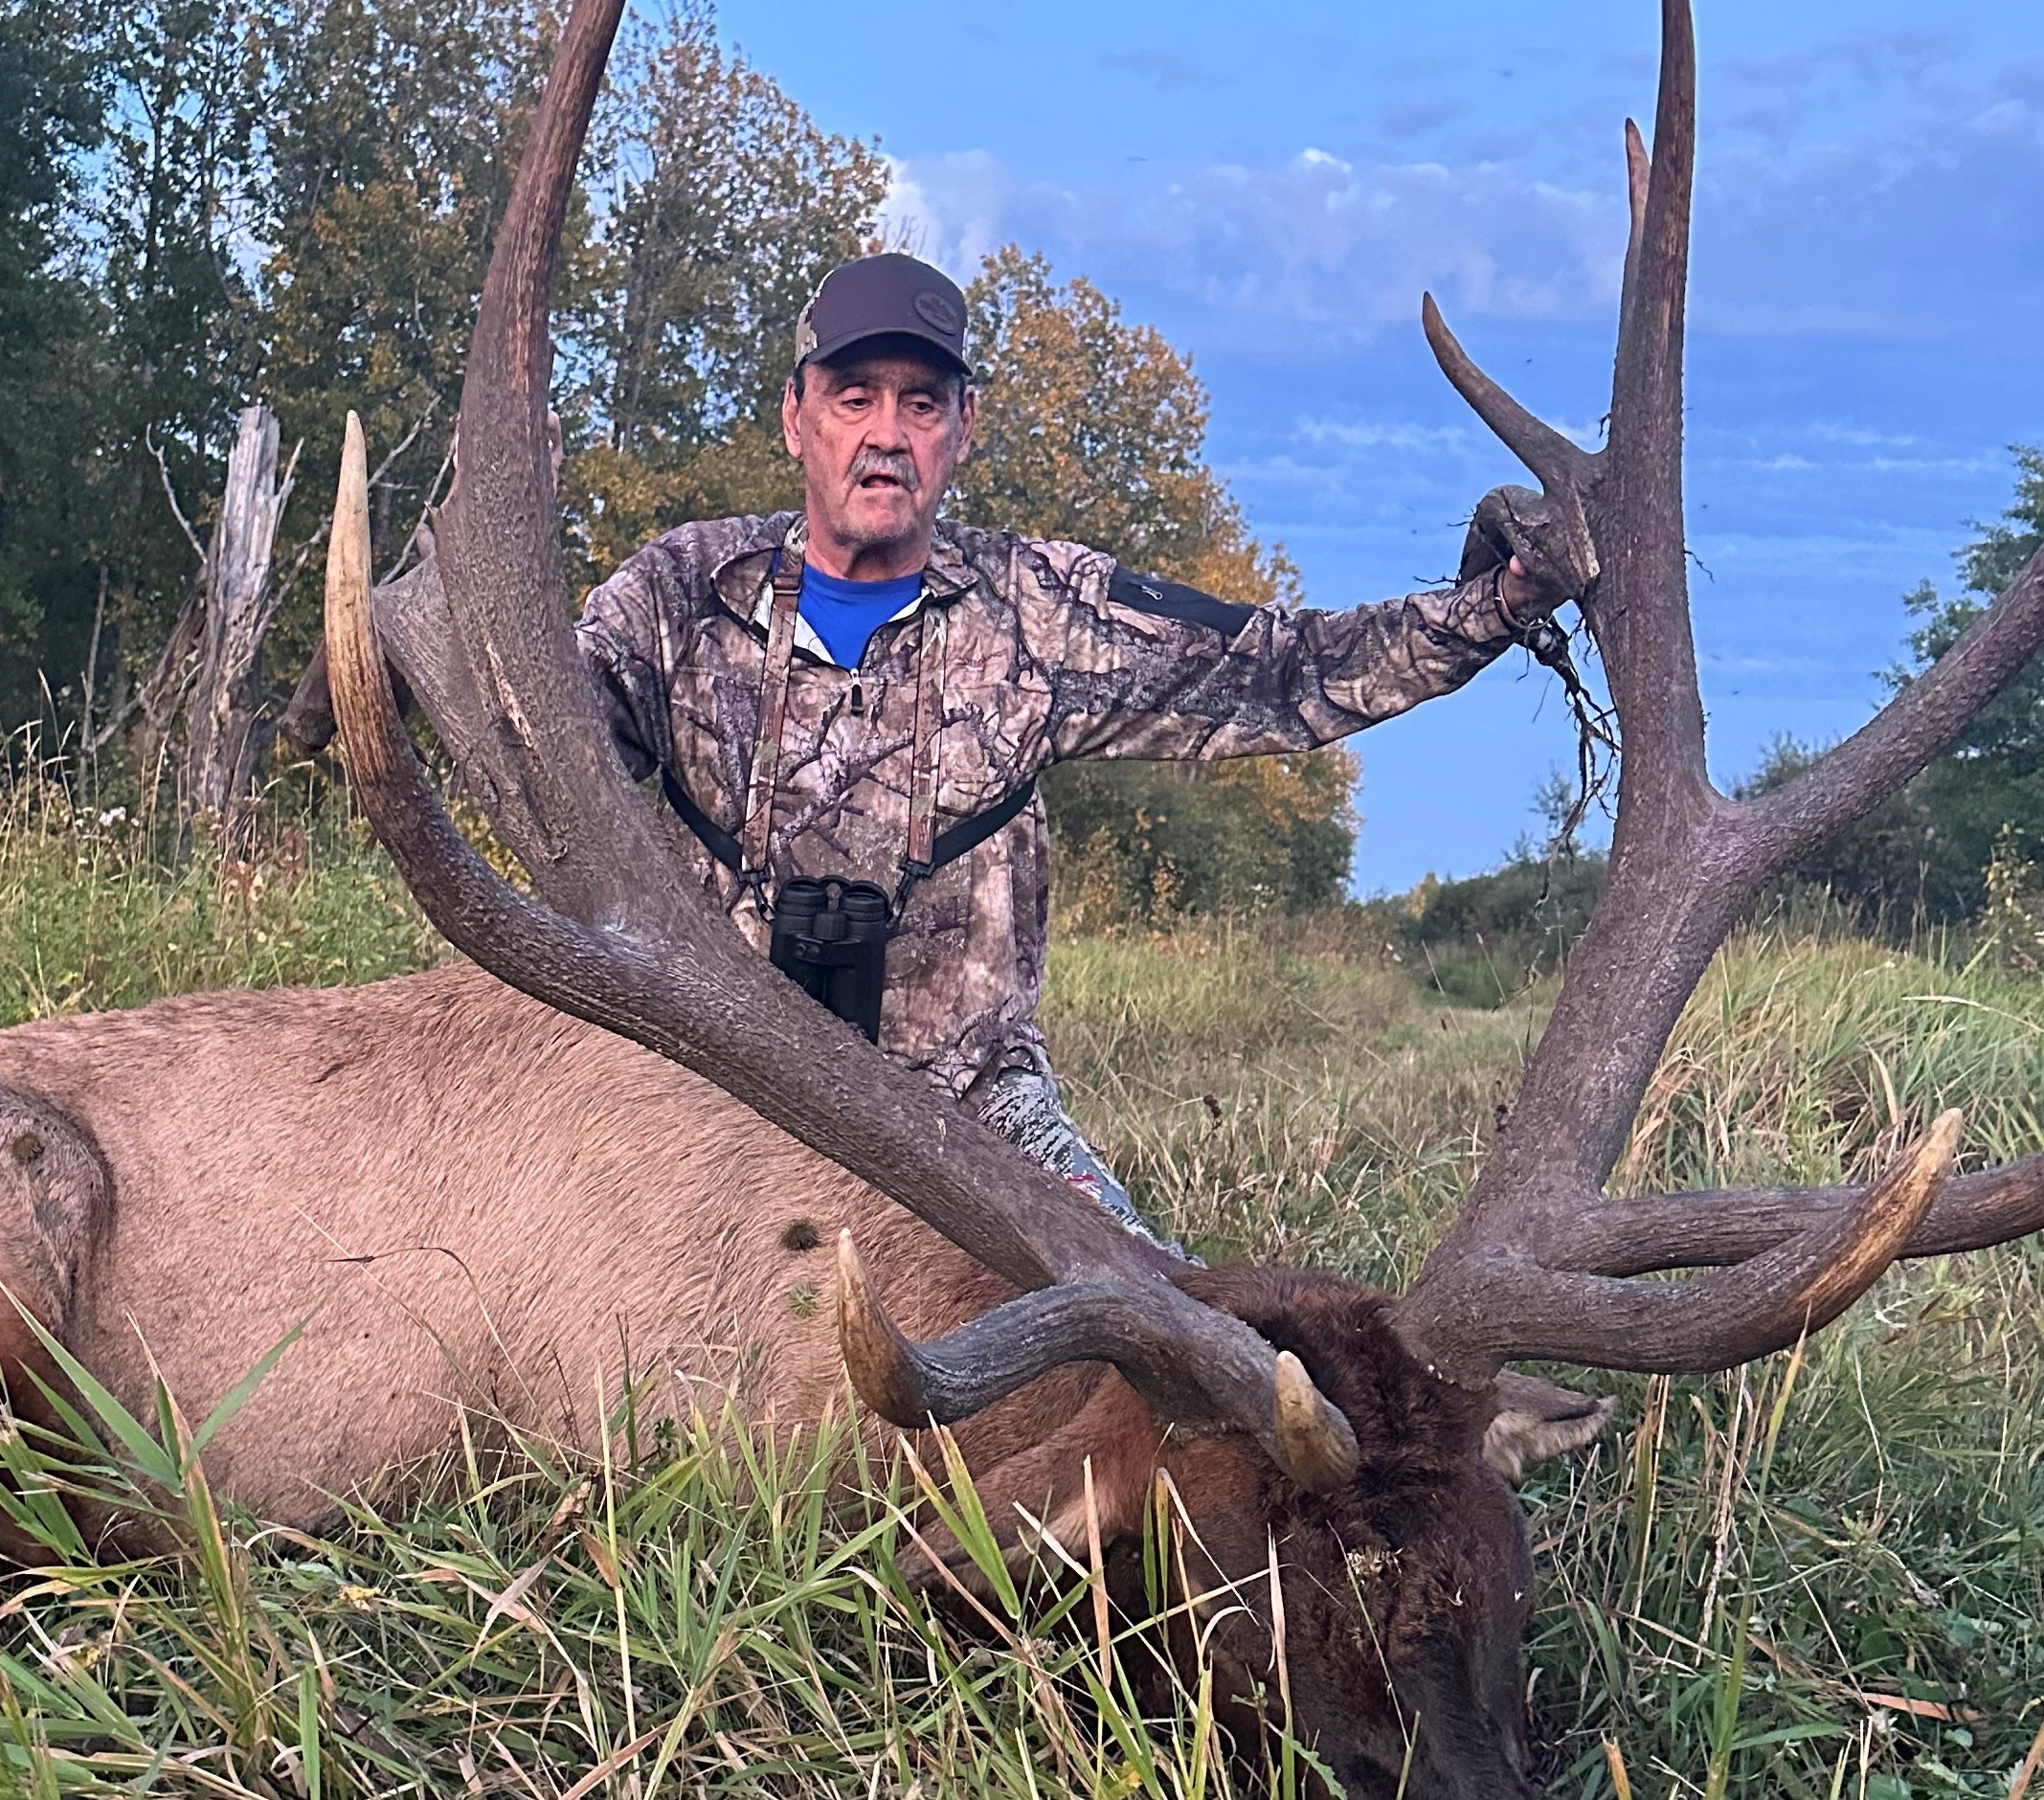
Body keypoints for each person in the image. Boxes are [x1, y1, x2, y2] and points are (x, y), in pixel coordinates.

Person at [578, 250, 1575, 1234]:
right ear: (796, 416)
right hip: (707, 1093)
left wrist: (1496, 603)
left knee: (1146, 1304)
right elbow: (535, 746)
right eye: (854, 399)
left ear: (964, 426)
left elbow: (1281, 669)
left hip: (973, 1105)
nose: (887, 434)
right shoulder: (679, 595)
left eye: (921, 403)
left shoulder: (1039, 609)